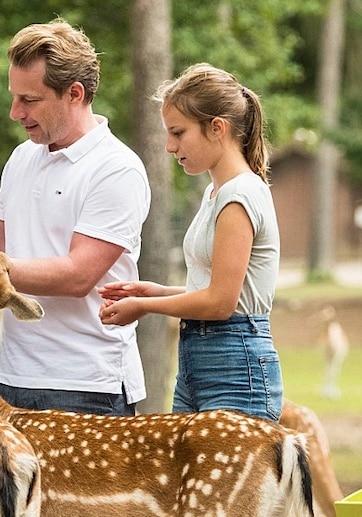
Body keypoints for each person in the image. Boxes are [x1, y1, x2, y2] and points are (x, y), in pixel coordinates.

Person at [0, 18, 151, 416]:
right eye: (14, 97)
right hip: (10, 379)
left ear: (74, 93)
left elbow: (78, 275)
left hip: (85, 386)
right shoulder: (23, 157)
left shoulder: (116, 168)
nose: (14, 112)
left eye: (29, 100)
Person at [97, 63, 283, 422]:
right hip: (200, 361)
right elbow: (214, 290)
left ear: (217, 128)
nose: (169, 146)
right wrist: (153, 291)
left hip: (234, 366)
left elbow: (220, 303)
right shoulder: (217, 193)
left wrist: (144, 307)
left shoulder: (239, 196)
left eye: (178, 133)